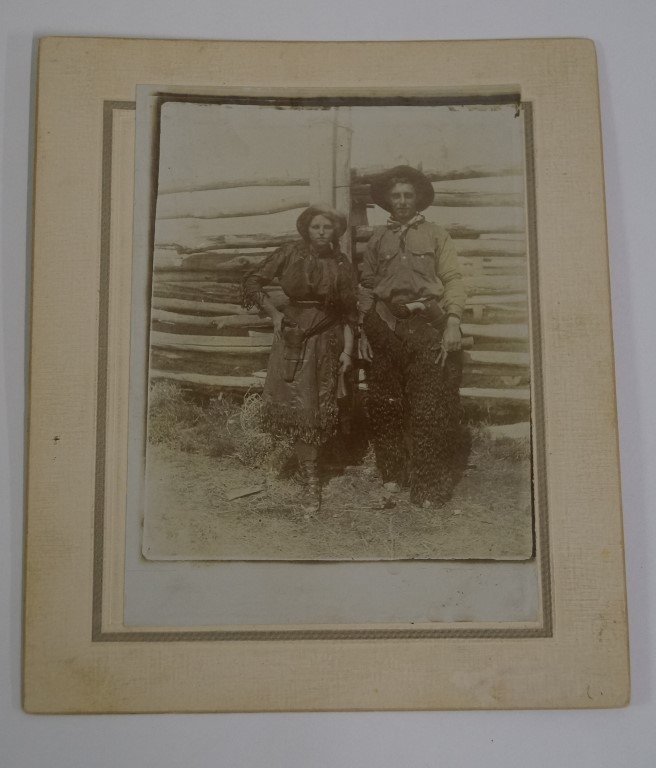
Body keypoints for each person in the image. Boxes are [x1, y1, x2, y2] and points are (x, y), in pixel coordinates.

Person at [358, 165, 469, 507]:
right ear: (387, 202)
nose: (402, 201)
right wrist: (364, 327)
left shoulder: (437, 234)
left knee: (429, 406)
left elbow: (453, 279)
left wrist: (452, 322)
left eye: (408, 195)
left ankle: (429, 487)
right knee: (385, 403)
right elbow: (365, 286)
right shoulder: (378, 238)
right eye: (396, 196)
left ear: (418, 198)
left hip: (425, 324)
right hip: (384, 324)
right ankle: (393, 474)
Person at [241, 204, 358, 512]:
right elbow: (253, 280)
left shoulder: (341, 262)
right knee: (299, 405)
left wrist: (347, 350)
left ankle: (317, 468)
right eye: (316, 226)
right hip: (293, 337)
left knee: (320, 404)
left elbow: (348, 311)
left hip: (328, 338)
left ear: (335, 232)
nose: (321, 232)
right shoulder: (290, 253)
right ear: (307, 228)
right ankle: (310, 479)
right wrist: (275, 314)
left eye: (327, 227)